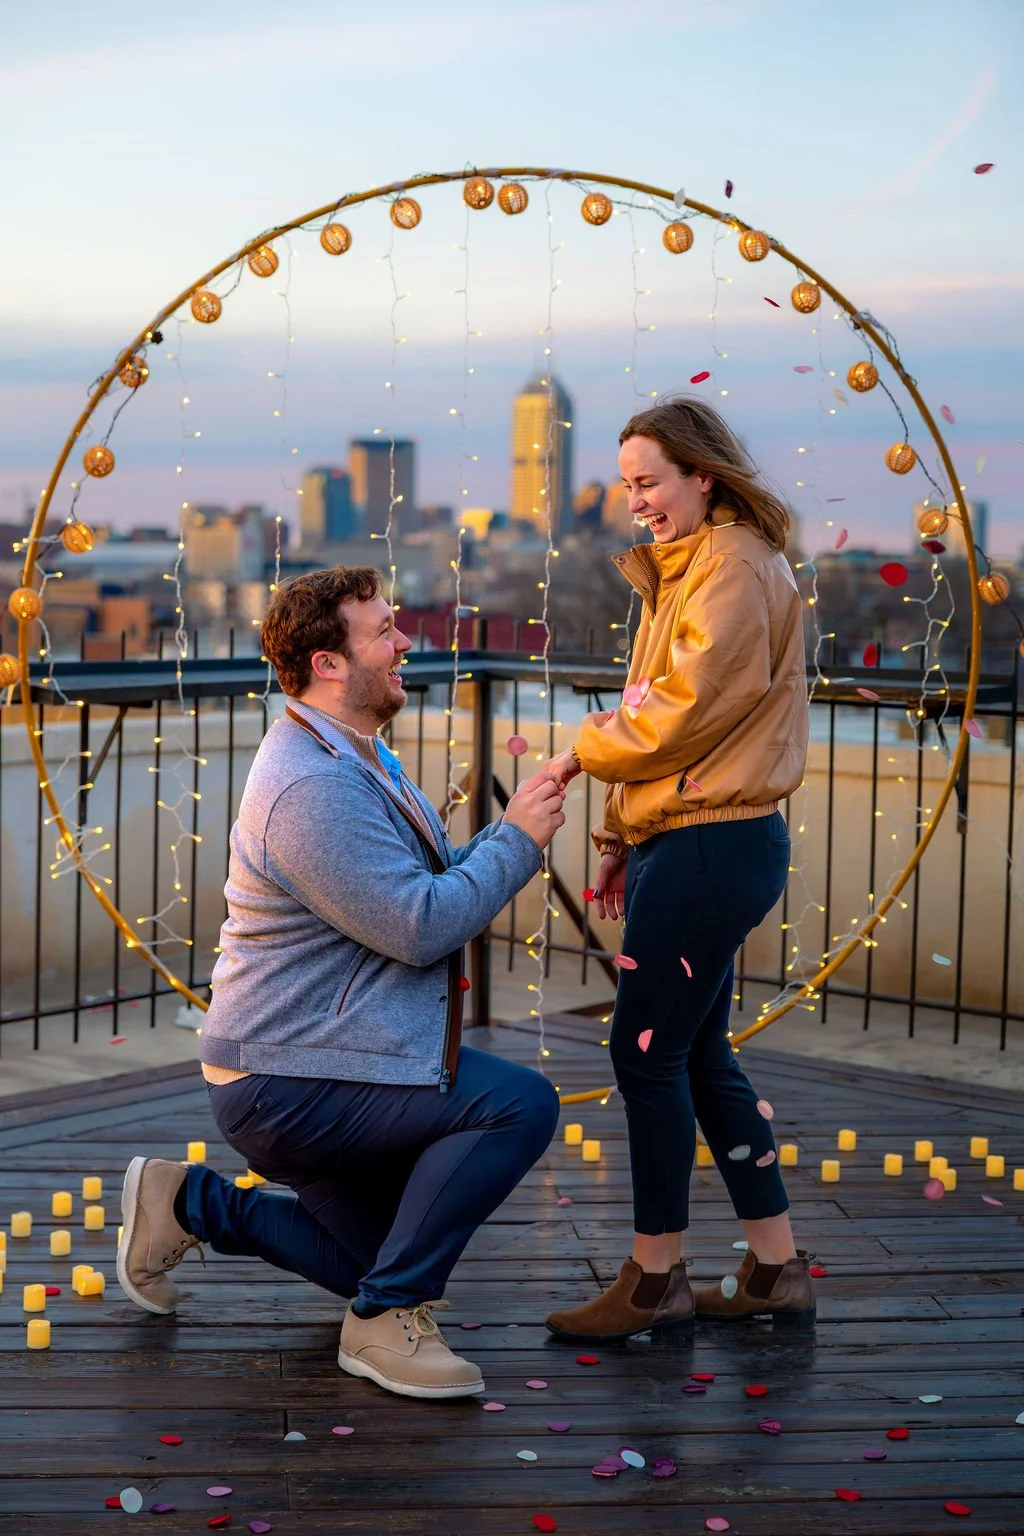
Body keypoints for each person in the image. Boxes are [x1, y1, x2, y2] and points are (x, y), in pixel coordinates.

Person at [116, 566, 564, 1399]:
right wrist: (519, 845)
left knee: (373, 1254)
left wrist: (513, 825)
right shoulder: (311, 785)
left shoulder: (355, 753)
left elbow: (416, 886)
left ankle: (188, 1205)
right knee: (520, 1104)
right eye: (385, 630)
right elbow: (418, 926)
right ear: (329, 664)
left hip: (329, 1055)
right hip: (288, 1078)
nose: (405, 643)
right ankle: (384, 1321)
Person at [543, 396, 812, 1342]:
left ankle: (654, 1278)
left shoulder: (732, 567)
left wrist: (578, 754)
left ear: (706, 474)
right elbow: (663, 713)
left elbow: (679, 714)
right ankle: (774, 1267)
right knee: (697, 1054)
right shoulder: (696, 568)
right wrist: (621, 842)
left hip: (710, 840)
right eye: (626, 486)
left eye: (649, 481)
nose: (638, 503)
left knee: (643, 1056)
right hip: (695, 838)